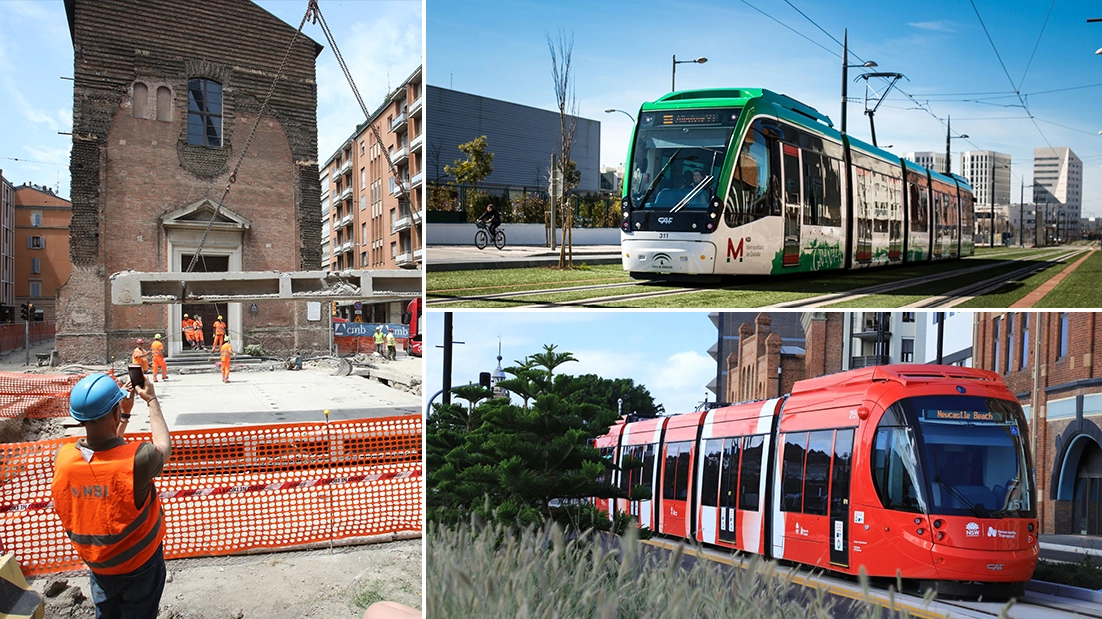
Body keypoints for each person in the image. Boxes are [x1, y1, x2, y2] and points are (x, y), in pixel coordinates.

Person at [51, 373, 170, 619]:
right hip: (140, 564)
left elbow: (104, 448)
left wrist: (122, 416)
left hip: (99, 564)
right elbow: (163, 447)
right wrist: (152, 401)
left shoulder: (63, 459)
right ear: (115, 413)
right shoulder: (138, 458)